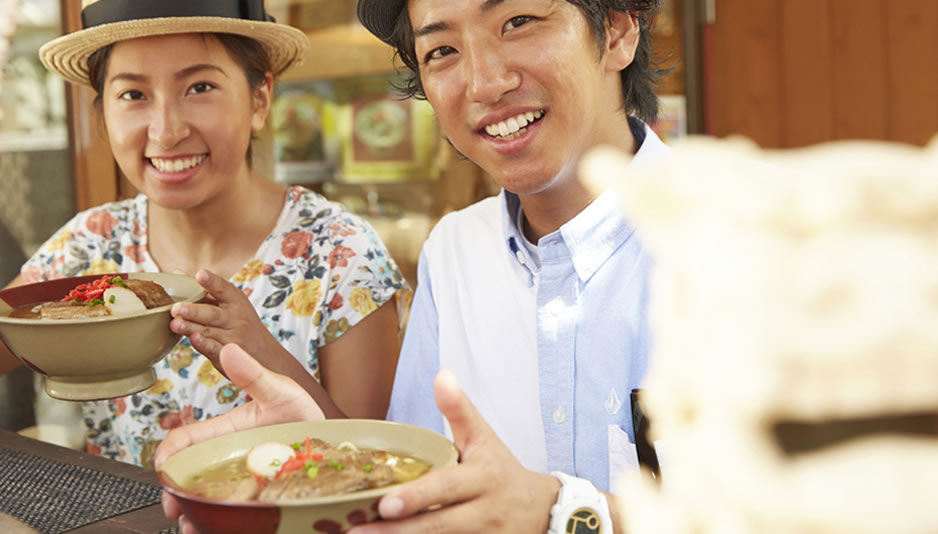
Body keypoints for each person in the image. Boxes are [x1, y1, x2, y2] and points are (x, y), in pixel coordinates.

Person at [160, 0, 669, 531]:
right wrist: (329, 456)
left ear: (617, 29)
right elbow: (422, 491)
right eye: (442, 50)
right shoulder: (453, 250)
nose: (483, 83)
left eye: (518, 23)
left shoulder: (749, 251)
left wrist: (559, 513)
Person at [0, 0, 408, 468]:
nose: (167, 131)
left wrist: (263, 353)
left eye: (199, 86)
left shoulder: (341, 253)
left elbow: (376, 470)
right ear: (102, 114)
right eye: (133, 95)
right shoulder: (91, 243)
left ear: (260, 100)